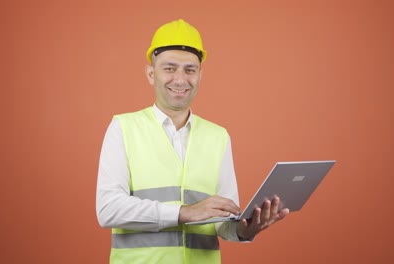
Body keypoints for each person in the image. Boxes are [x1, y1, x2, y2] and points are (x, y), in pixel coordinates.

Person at [96, 18, 289, 264]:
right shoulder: (123, 128)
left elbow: (223, 223)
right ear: (150, 74)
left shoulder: (218, 136)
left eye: (190, 69)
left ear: (200, 75)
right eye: (169, 68)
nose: (180, 79)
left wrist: (245, 230)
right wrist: (183, 213)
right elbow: (108, 210)